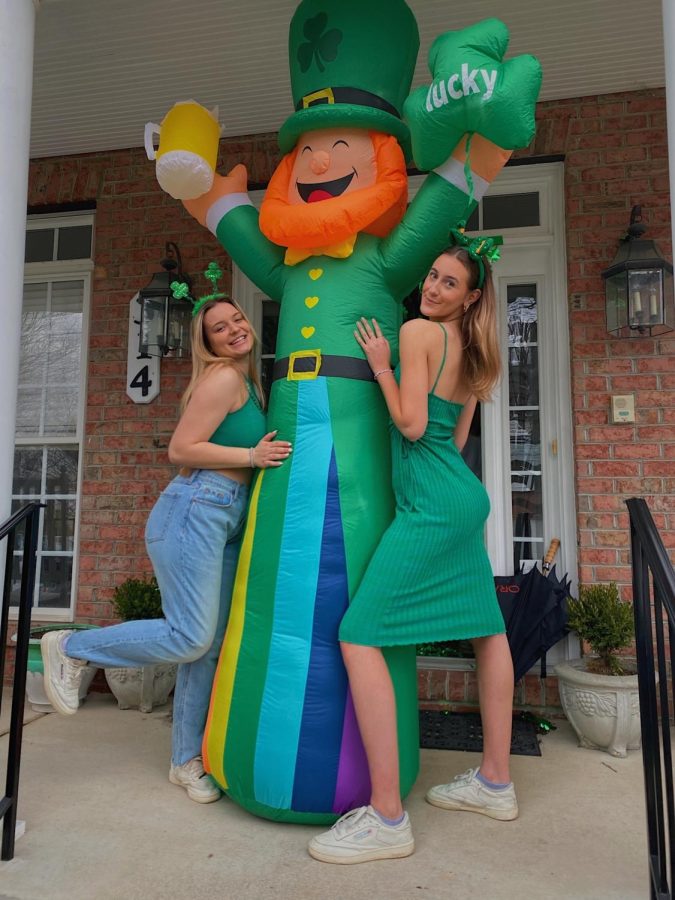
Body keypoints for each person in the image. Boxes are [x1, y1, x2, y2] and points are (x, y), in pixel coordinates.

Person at [308, 237, 516, 864]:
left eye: (449, 283)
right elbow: (457, 433)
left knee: (359, 632)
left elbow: (413, 426)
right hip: (461, 494)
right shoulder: (477, 353)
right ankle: (495, 782)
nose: (432, 288)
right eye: (432, 276)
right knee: (487, 632)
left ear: (470, 296)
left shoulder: (419, 334)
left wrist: (379, 362)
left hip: (430, 504)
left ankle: (388, 816)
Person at [41, 291, 292, 804]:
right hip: (197, 509)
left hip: (224, 515)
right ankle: (70, 646)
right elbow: (181, 449)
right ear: (208, 343)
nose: (235, 329)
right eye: (220, 327)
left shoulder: (247, 381)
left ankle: (184, 761)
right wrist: (251, 453)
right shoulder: (222, 377)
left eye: (237, 318)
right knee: (190, 638)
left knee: (206, 650)